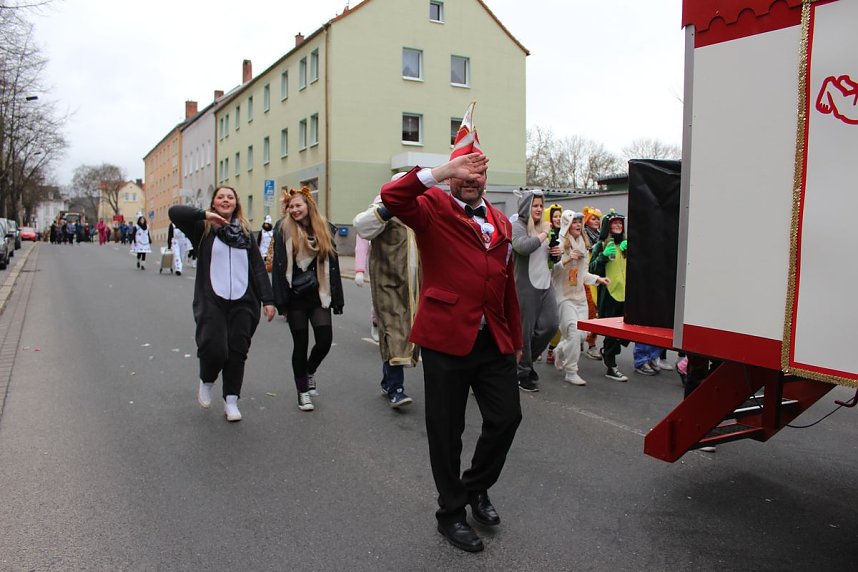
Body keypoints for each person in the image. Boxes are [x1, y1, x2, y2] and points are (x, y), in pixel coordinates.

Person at [380, 103, 522, 553]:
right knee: (447, 430)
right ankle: (451, 513)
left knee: (506, 418)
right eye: (463, 171)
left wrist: (516, 341)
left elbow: (507, 286)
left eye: (477, 171)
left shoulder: (500, 221)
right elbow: (392, 197)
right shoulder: (432, 208)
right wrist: (442, 170)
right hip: (446, 339)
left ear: (485, 178)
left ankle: (476, 486)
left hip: (493, 339)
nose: (470, 178)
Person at [168, 187, 276, 422]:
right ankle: (207, 380)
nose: (225, 200)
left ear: (236, 203)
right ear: (214, 203)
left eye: (230, 197)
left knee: (237, 352)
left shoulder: (246, 233)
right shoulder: (203, 229)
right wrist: (204, 215)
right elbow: (174, 212)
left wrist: (268, 300)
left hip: (244, 301)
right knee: (214, 348)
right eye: (220, 197)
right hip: (212, 299)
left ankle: (231, 401)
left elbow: (258, 268)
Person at [270, 187, 344, 412]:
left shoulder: (324, 229)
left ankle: (309, 371)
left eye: (298, 205)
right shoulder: (283, 229)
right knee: (300, 345)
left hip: (319, 292)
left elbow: (333, 266)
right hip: (295, 296)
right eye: (290, 207)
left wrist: (337, 296)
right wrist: (279, 300)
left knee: (324, 341)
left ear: (308, 205)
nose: (294, 210)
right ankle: (302, 392)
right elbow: (279, 267)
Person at [353, 173, 420, 408]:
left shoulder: (418, 211)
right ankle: (395, 388)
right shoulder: (382, 207)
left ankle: (387, 381)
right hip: (389, 285)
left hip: (416, 287)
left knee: (414, 335)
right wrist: (359, 270)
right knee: (394, 332)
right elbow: (362, 229)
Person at [551, 210, 610, 385]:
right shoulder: (559, 244)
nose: (577, 225)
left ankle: (560, 349)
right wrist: (568, 259)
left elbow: (583, 274)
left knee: (582, 335)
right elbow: (552, 272)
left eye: (579, 221)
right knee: (574, 333)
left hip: (580, 297)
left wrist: (597, 279)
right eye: (574, 221)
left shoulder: (583, 244)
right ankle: (571, 371)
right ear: (567, 224)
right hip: (564, 297)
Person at [511, 189, 560, 392]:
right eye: (535, 205)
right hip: (525, 286)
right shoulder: (518, 225)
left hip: (545, 283)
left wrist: (555, 254)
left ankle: (525, 363)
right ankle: (522, 373)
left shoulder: (543, 228)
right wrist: (542, 235)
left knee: (551, 325)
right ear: (526, 207)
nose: (539, 209)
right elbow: (522, 247)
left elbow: (545, 256)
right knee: (525, 331)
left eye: (541, 205)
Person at [589, 210, 630, 381]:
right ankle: (611, 365)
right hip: (609, 294)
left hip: (625, 295)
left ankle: (607, 351)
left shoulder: (626, 244)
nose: (618, 225)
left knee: (623, 332)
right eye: (615, 222)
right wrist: (603, 257)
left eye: (621, 222)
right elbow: (592, 270)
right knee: (613, 332)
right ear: (608, 226)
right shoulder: (601, 245)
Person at [581, 206, 603, 360]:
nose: (596, 222)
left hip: (598, 277)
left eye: (598, 219)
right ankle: (590, 344)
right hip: (585, 278)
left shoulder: (601, 237)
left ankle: (589, 341)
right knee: (589, 311)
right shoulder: (583, 236)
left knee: (596, 312)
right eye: (593, 219)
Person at [544, 203, 563, 365]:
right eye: (554, 216)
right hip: (547, 278)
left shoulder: (564, 233)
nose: (557, 219)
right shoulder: (547, 234)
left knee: (556, 319)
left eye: (559, 216)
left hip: (563, 281)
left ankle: (553, 347)